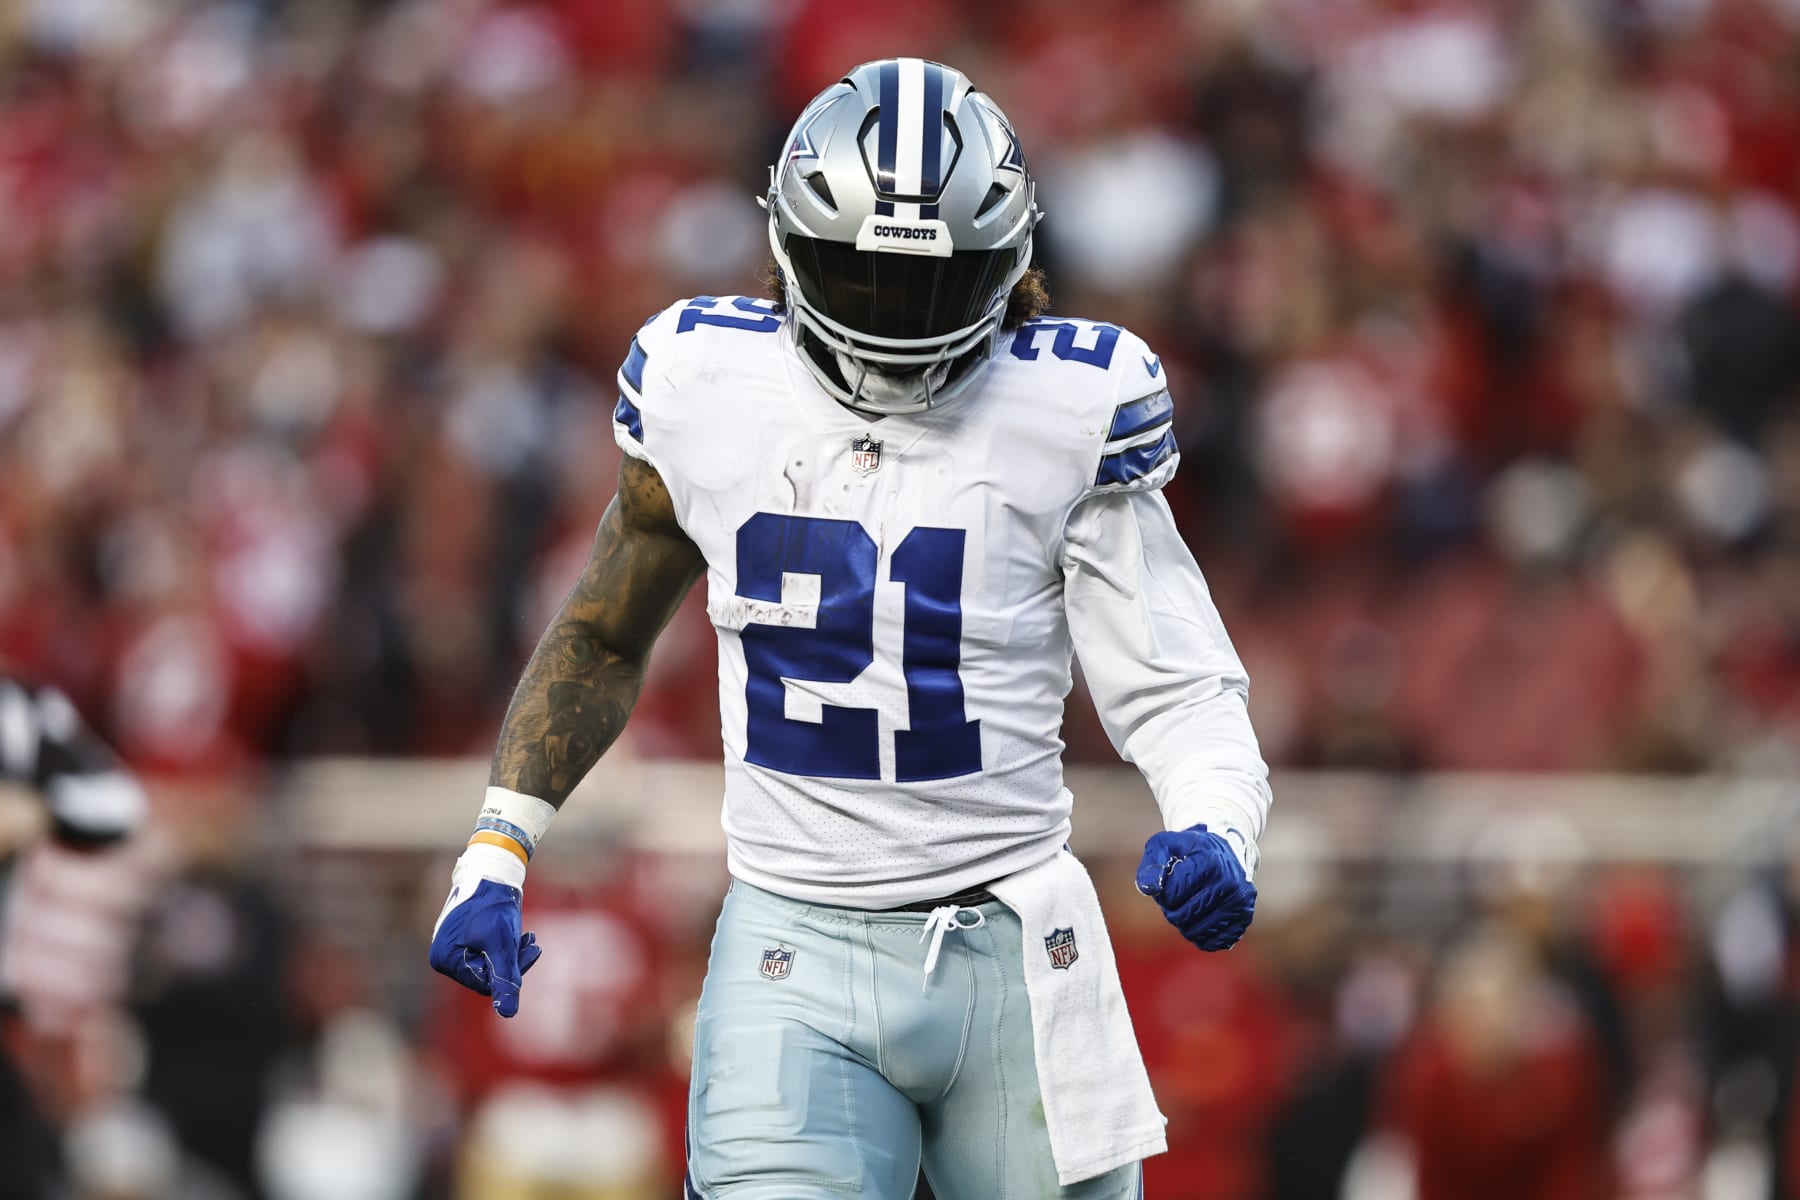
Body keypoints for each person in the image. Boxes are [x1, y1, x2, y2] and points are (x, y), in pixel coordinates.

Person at [430, 58, 1271, 1198]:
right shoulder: (708, 382)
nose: (897, 317)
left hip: (1019, 939)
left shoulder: (1068, 410)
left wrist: (1218, 822)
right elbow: (601, 635)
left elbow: (1174, 680)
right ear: (789, 243)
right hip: (795, 941)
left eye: (930, 284)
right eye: (865, 277)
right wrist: (497, 845)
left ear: (1008, 262)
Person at [0, 674, 147, 1200]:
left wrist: (37, 809)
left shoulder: (22, 707)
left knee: (23, 1157)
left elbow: (118, 804)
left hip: (9, 998)